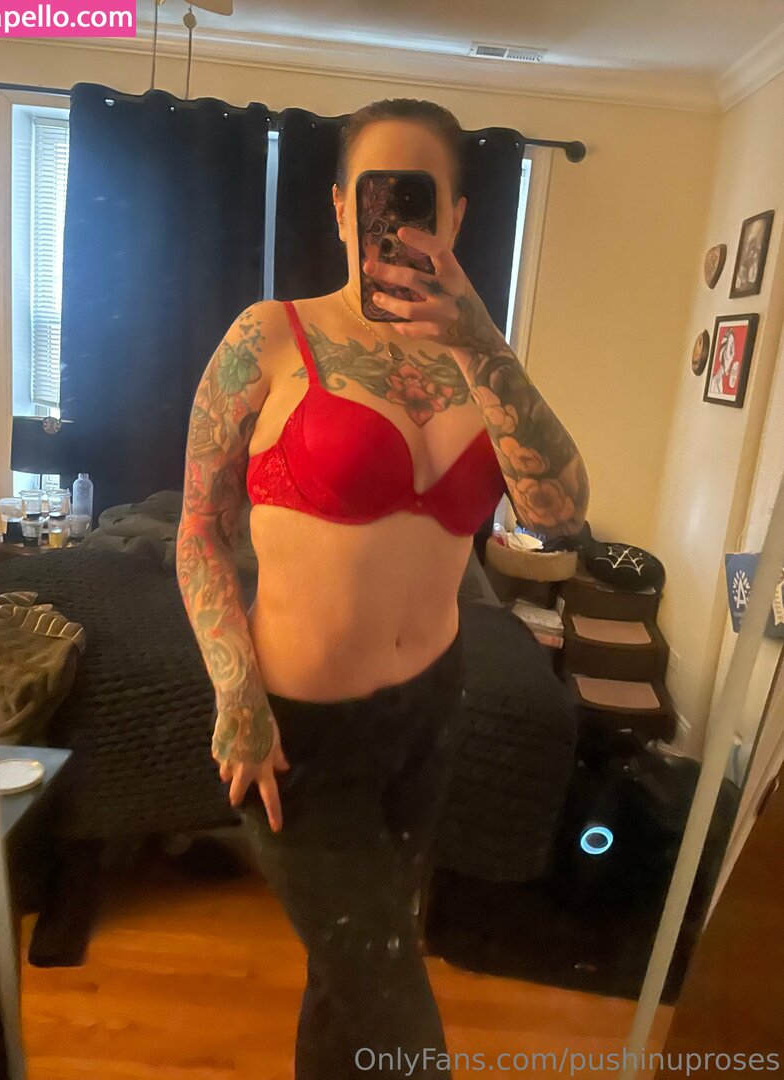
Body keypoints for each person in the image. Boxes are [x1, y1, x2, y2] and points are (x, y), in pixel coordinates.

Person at [176, 97, 589, 1079]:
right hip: (295, 732)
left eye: (419, 200)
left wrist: (485, 343)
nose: (394, 222)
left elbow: (561, 511)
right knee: (395, 1005)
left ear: (457, 216)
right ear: (337, 207)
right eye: (374, 195)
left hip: (426, 718)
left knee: (349, 978)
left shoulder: (482, 362)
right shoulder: (269, 338)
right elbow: (197, 533)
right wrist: (236, 696)